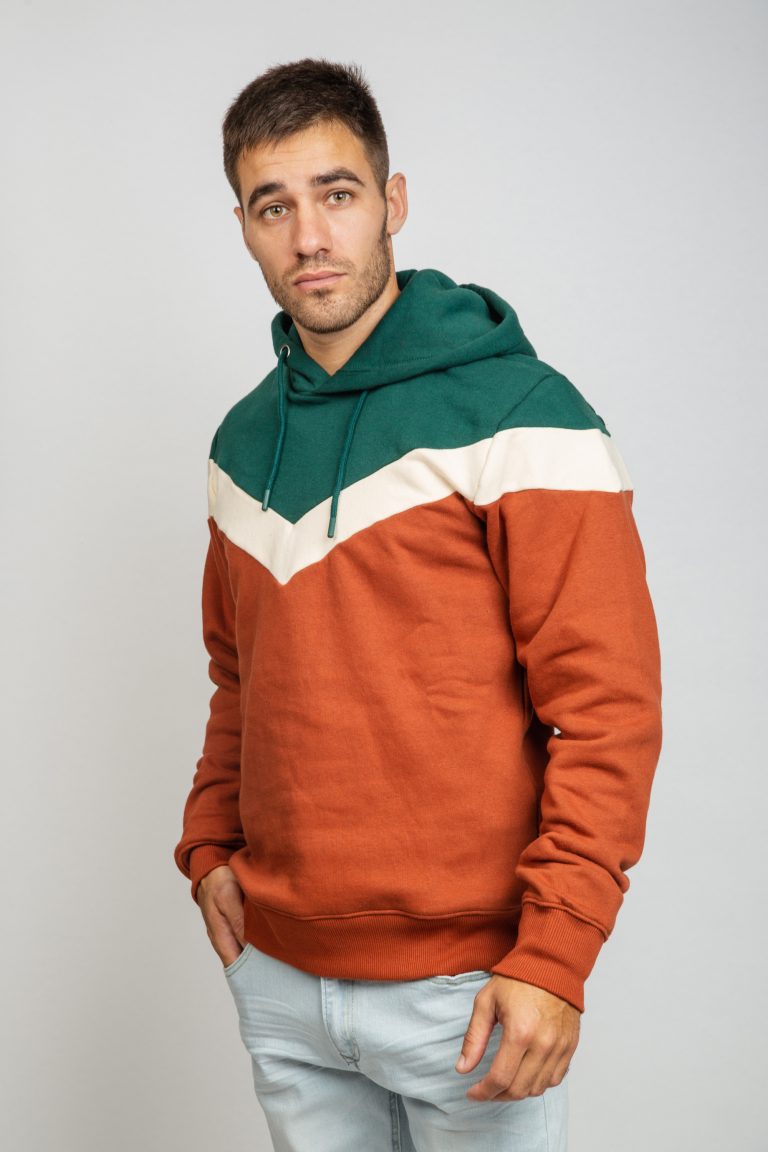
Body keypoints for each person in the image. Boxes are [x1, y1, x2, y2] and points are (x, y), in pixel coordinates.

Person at [173, 56, 663, 1152]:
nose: (310, 237)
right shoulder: (242, 444)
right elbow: (239, 677)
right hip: (284, 983)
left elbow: (607, 710)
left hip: (471, 992)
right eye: (273, 205)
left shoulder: (524, 413)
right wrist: (208, 845)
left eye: (337, 193)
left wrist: (557, 956)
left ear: (393, 201)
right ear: (243, 227)